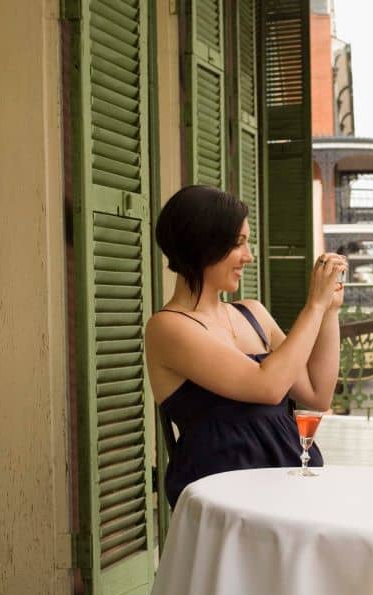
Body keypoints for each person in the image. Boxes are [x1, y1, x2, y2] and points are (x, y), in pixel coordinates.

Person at [144, 185, 346, 507]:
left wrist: (330, 310)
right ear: (202, 244)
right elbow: (268, 386)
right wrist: (313, 308)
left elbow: (317, 394)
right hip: (224, 497)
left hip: (289, 481)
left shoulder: (253, 313)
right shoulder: (168, 328)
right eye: (238, 243)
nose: (249, 256)